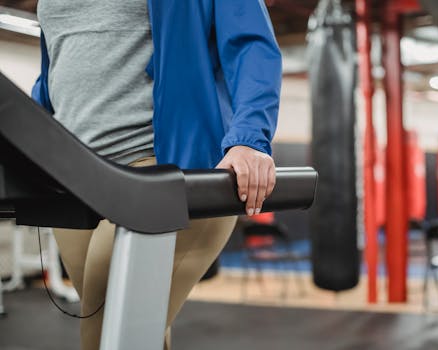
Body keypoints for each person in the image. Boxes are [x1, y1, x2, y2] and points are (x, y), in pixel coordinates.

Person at [31, 1, 282, 349]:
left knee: (109, 333)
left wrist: (250, 138)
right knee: (138, 332)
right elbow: (56, 66)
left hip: (159, 169)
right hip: (75, 178)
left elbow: (250, 42)